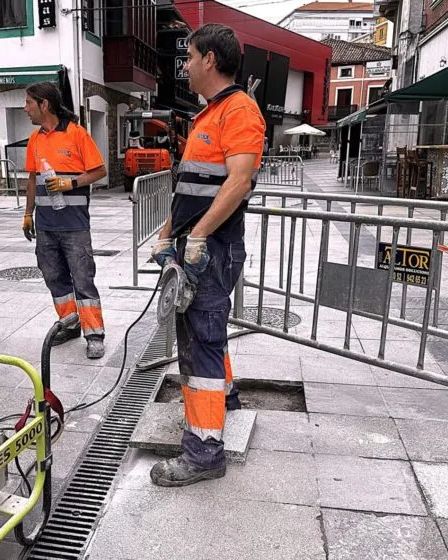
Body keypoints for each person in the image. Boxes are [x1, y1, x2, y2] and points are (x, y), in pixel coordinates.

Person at [149, 24, 266, 487]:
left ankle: (203, 451)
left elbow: (240, 181)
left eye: (191, 57)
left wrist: (196, 238)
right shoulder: (209, 113)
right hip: (197, 244)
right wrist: (167, 235)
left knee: (200, 344)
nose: (186, 65)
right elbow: (191, 189)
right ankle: (226, 400)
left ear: (210, 60)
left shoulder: (239, 110)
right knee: (205, 333)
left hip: (213, 250)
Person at [21, 82, 108, 359]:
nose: (26, 109)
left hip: (74, 227)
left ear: (44, 104)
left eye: (28, 103)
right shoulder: (35, 138)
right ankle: (70, 325)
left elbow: (99, 171)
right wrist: (27, 214)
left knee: (83, 279)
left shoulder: (76, 133)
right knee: (55, 279)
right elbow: (33, 179)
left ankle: (94, 334)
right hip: (46, 227)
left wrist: (70, 183)